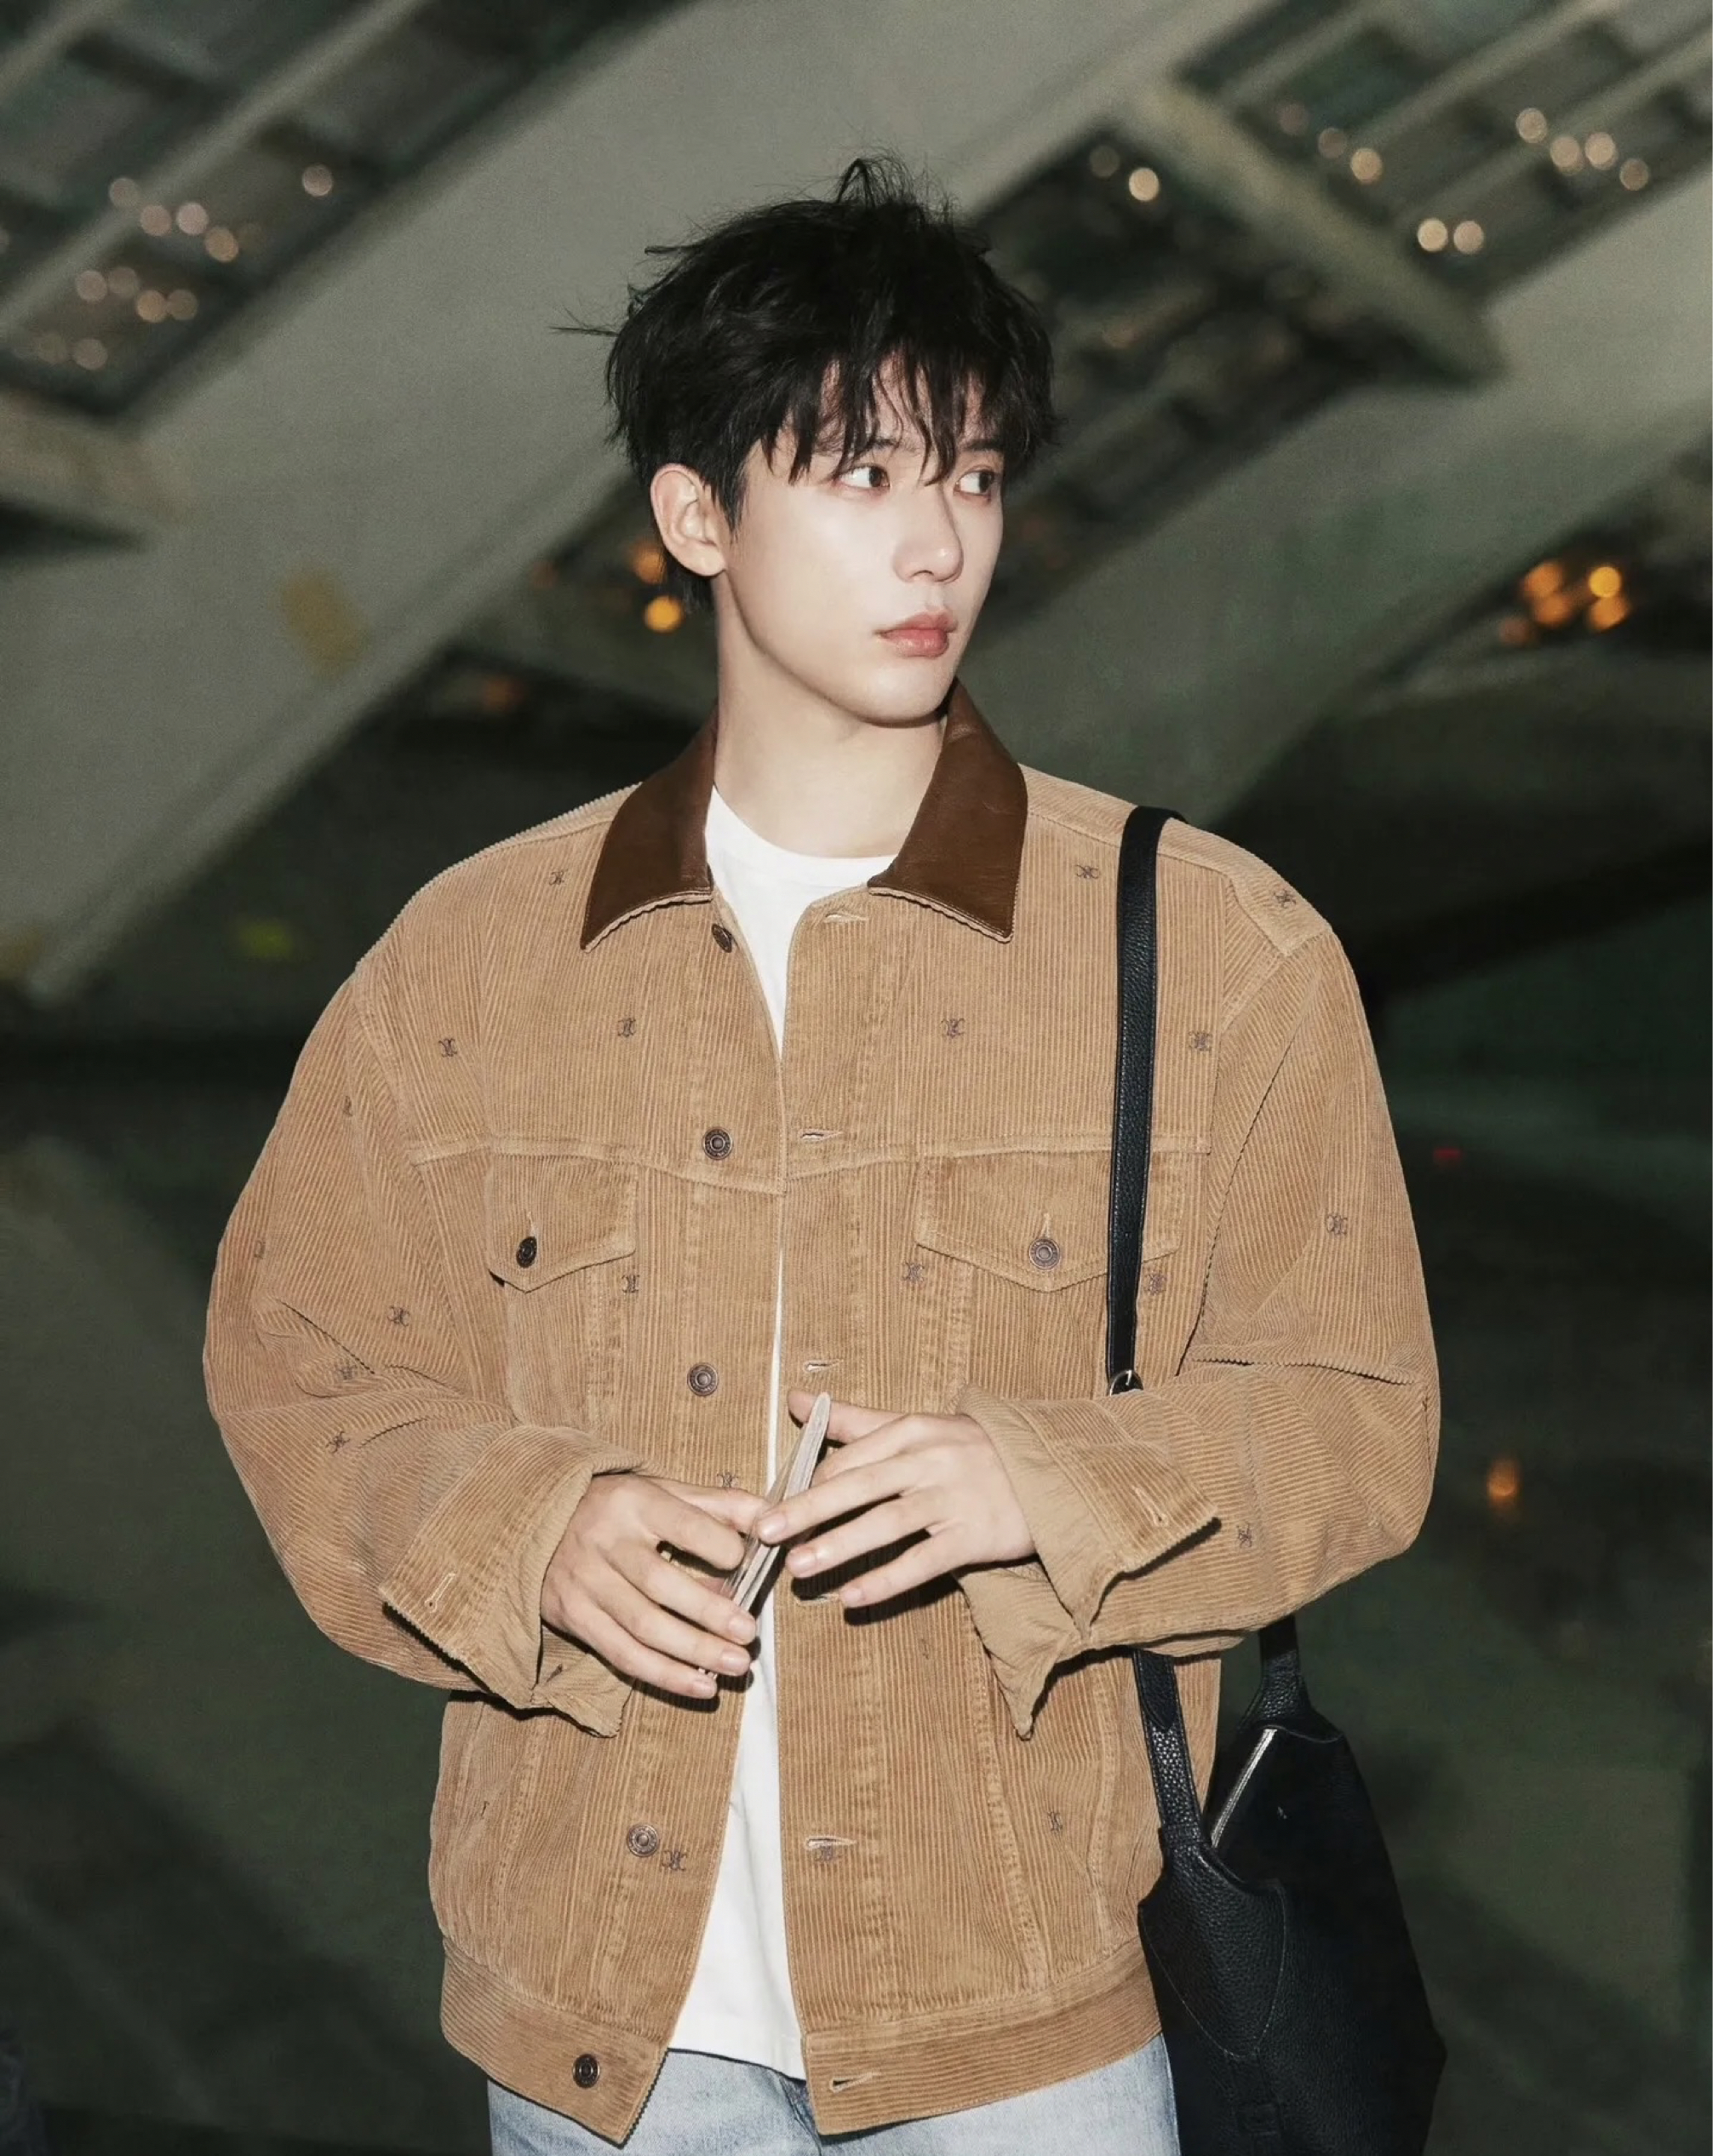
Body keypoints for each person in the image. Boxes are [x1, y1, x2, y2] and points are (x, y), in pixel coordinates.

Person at [203, 156, 1438, 2155]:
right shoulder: (477, 957)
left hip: (1021, 2020)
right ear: (696, 516)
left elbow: (1357, 1411)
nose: (936, 541)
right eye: (862, 476)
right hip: (600, 2032)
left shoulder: (1215, 947)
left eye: (973, 476)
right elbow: (300, 1362)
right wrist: (529, 1526)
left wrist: (1042, 1483)